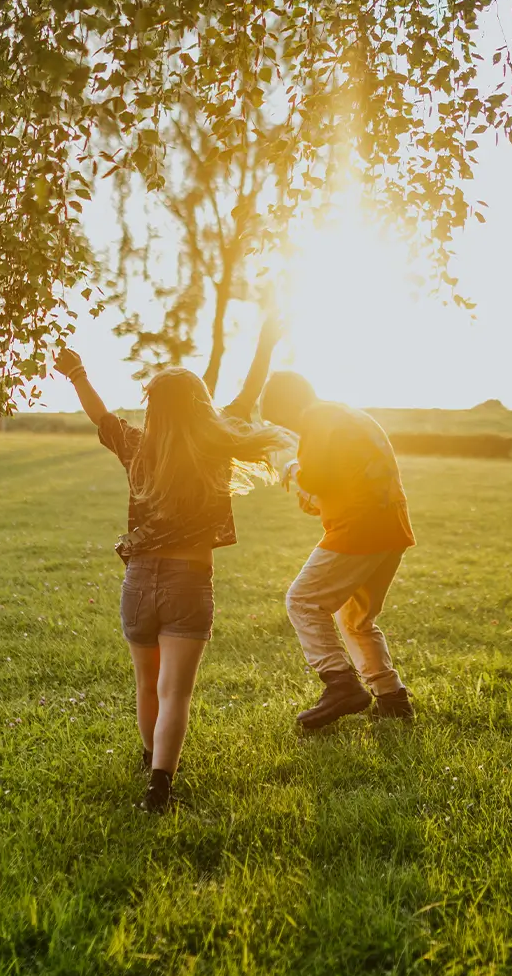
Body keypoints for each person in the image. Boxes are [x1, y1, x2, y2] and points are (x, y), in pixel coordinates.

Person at [55, 316, 287, 812]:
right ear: (201, 405)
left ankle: (150, 757)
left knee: (147, 684)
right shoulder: (216, 445)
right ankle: (160, 785)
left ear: (154, 408)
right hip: (189, 581)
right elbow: (247, 394)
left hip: (138, 581)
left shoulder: (139, 448)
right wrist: (265, 342)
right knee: (175, 692)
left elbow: (102, 418)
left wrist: (77, 373)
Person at [260, 372, 416, 732]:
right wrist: (315, 496)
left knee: (302, 601)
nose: (291, 431)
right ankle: (392, 698)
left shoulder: (317, 418)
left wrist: (290, 468)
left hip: (358, 529)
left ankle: (340, 683)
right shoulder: (350, 416)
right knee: (356, 619)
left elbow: (314, 478)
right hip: (391, 528)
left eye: (283, 421)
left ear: (290, 406)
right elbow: (339, 482)